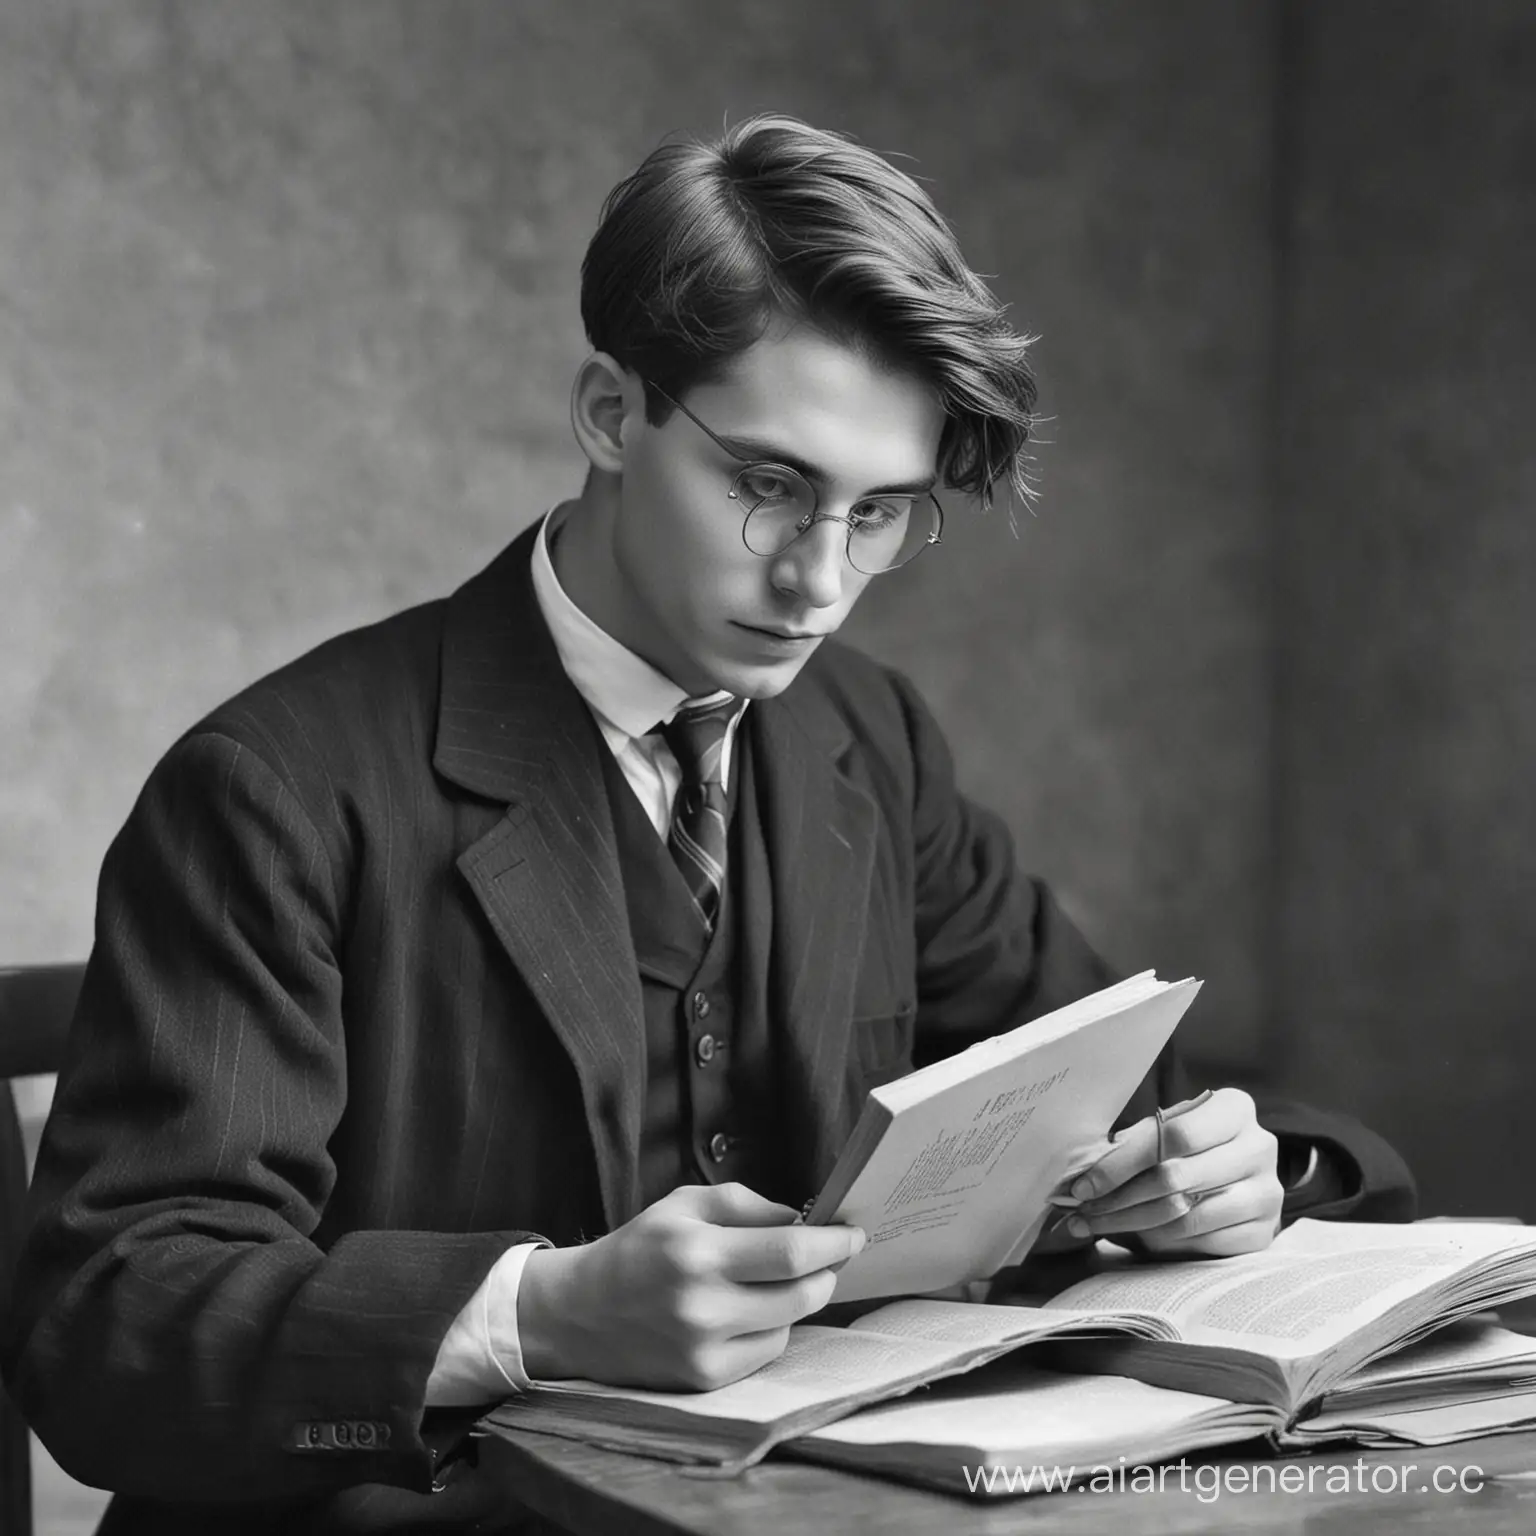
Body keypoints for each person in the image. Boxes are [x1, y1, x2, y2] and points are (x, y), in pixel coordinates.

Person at [3, 114, 1413, 1534]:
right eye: (770, 486)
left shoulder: (873, 742)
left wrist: (1232, 1171)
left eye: (881, 516)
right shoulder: (276, 786)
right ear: (613, 414)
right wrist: (538, 1311)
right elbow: (108, 1325)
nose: (820, 580)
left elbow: (1121, 1090)